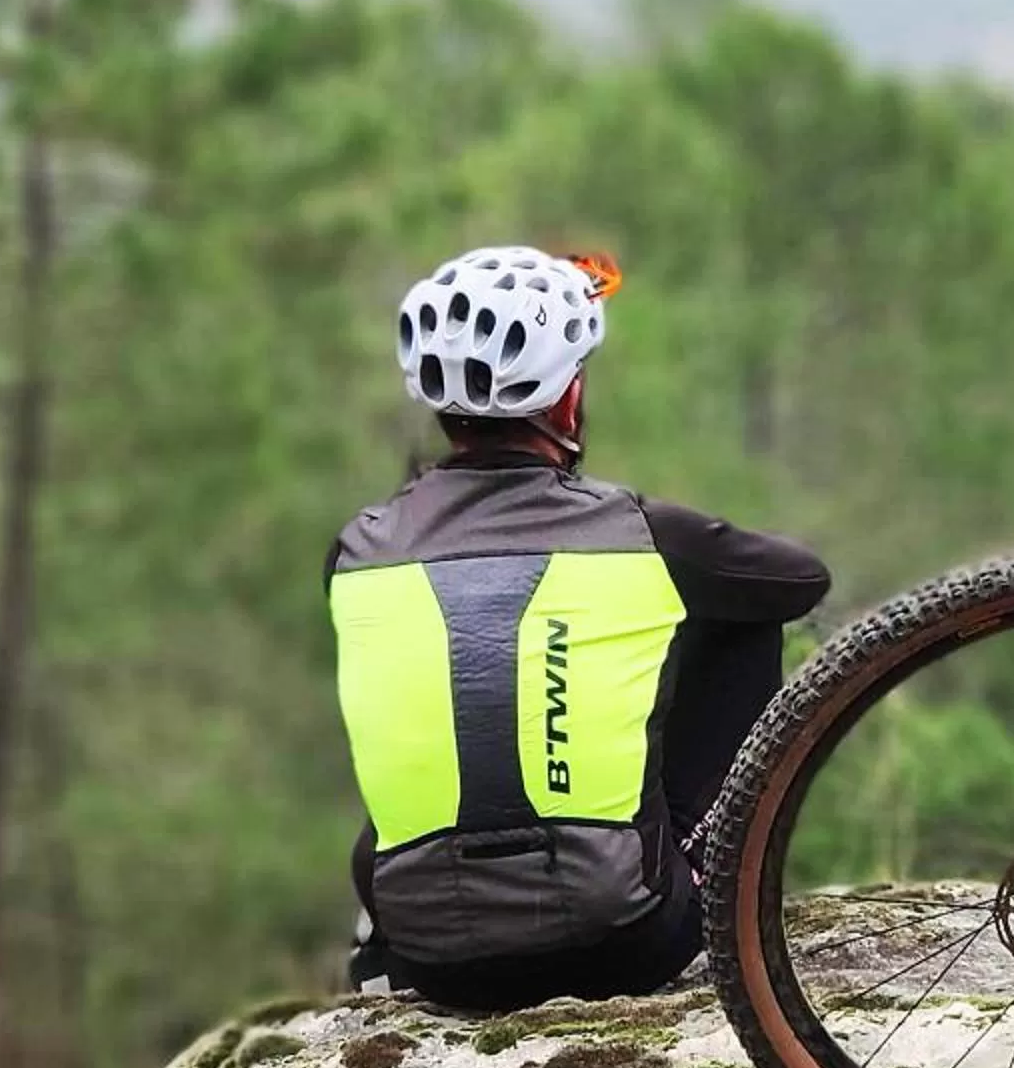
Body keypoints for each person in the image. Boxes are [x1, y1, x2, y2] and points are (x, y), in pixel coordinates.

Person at [327, 246, 827, 1011]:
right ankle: (707, 873)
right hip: (626, 944)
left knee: (431, 687)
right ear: (567, 400)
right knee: (742, 624)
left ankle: (376, 937)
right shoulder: (641, 532)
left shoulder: (360, 549)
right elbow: (801, 580)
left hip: (434, 962)